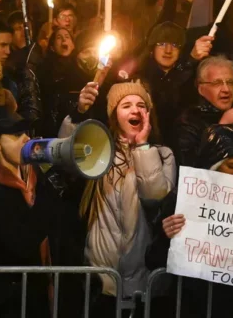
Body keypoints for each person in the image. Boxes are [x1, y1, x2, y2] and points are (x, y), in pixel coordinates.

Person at [65, 81, 176, 314]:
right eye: (126, 105)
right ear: (114, 114)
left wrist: (142, 147)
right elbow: (67, 153)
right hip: (103, 281)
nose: (135, 110)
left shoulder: (162, 154)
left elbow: (155, 197)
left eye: (141, 105)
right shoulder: (99, 151)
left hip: (146, 281)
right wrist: (79, 113)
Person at [145, 124, 233, 318]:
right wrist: (166, 236)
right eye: (232, 166)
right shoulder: (183, 199)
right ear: (213, 166)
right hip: (194, 304)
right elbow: (152, 259)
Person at [0, 111, 66, 317]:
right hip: (4, 301)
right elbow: (21, 242)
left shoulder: (35, 179)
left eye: (26, 132)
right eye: (16, 134)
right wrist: (48, 194)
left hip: (35, 297)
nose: (26, 139)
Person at [172, 56, 233, 167]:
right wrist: (221, 129)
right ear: (201, 89)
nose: (226, 89)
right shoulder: (188, 122)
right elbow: (191, 169)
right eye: (217, 83)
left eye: (230, 82)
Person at [138, 22, 213, 144]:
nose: (168, 50)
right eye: (161, 44)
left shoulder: (193, 75)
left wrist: (191, 62)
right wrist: (190, 61)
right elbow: (163, 99)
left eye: (174, 45)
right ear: (152, 48)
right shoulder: (141, 76)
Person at [38, 26, 87, 136]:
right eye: (59, 37)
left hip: (77, 121)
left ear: (73, 45)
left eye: (67, 37)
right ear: (52, 47)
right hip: (54, 124)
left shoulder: (81, 67)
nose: (64, 40)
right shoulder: (45, 68)